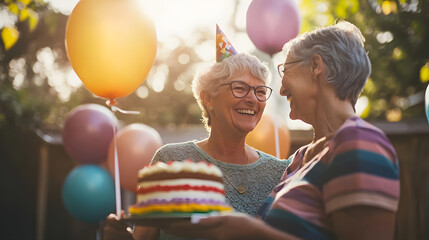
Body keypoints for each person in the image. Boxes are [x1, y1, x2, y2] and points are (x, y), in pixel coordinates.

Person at [162, 21, 400, 240]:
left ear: (316, 66)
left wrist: (246, 231)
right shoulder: (299, 160)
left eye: (285, 70)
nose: (282, 89)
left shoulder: (360, 143)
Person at [103, 26, 289, 240]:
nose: (253, 99)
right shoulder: (170, 161)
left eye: (260, 92)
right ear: (209, 98)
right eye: (240, 88)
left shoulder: (280, 172)